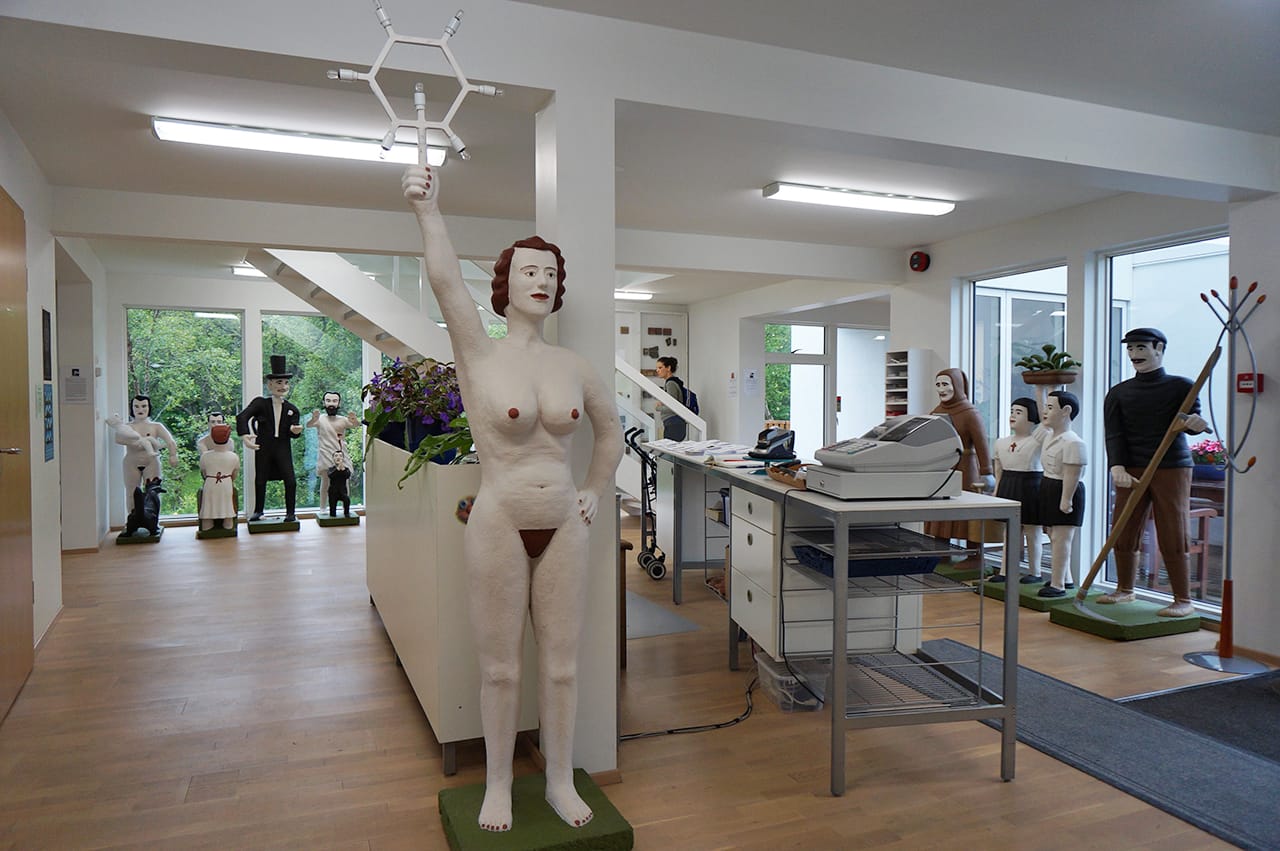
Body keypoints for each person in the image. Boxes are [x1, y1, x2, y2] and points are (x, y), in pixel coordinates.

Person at [403, 164, 623, 833]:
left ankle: (558, 779)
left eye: (550, 273)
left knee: (562, 668)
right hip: (499, 520)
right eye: (529, 271)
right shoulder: (480, 355)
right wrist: (428, 211)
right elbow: (447, 284)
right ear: (504, 285)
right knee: (500, 669)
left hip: (564, 525)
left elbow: (611, 434)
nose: (541, 280)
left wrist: (594, 488)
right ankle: (497, 783)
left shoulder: (574, 366)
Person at [1099, 328, 1208, 618]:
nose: (1134, 354)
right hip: (1131, 468)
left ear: (1159, 348)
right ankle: (1124, 588)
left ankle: (1183, 599)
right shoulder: (1118, 393)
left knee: (1173, 528)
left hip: (1171, 466)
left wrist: (1195, 424)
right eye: (1131, 348)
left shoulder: (1182, 387)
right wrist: (1117, 466)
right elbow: (1114, 434)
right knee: (1123, 525)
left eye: (1141, 347)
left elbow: (1191, 420)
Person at [924, 368, 996, 542]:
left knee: (968, 514)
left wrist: (986, 471)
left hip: (965, 468)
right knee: (941, 511)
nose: (941, 389)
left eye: (945, 384)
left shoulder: (970, 413)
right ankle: (941, 550)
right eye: (938, 385)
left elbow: (981, 444)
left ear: (957, 385)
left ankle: (974, 551)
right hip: (942, 467)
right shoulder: (936, 412)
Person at [235, 355, 303, 522]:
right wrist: (245, 436)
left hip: (283, 447)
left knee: (290, 480)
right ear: (270, 384)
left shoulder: (292, 409)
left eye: (286, 383)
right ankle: (258, 510)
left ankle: (290, 513)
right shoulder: (260, 404)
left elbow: (294, 432)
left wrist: (295, 431)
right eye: (279, 383)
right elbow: (242, 417)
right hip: (264, 447)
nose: (283, 386)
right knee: (260, 479)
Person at [1035, 391, 1087, 598]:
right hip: (1048, 486)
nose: (1045, 412)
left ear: (1066, 411)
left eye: (1050, 408)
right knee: (1051, 534)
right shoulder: (1049, 436)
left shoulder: (1074, 442)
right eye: (1045, 407)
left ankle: (1058, 585)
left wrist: (1066, 499)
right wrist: (1039, 390)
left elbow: (1073, 473)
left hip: (1066, 489)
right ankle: (1066, 578)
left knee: (1061, 538)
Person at [990, 397, 1046, 584]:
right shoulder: (1001, 442)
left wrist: (1043, 393)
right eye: (1012, 411)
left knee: (1033, 532)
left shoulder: (1037, 441)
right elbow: (998, 470)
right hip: (1008, 484)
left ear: (1032, 417)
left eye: (1019, 412)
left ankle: (1035, 572)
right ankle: (1006, 570)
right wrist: (997, 490)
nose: (1013, 415)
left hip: (1032, 486)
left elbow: (1046, 427)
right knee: (1009, 532)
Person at [106, 394, 179, 506]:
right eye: (136, 406)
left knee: (153, 491)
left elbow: (170, 441)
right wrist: (135, 442)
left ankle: (152, 516)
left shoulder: (156, 426)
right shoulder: (127, 427)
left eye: (144, 406)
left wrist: (173, 455)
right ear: (132, 408)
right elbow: (118, 439)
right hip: (131, 462)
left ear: (149, 407)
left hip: (151, 462)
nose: (140, 409)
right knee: (131, 492)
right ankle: (133, 516)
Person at [305, 391, 360, 515]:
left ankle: (346, 508)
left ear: (339, 403)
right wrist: (313, 418)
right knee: (325, 482)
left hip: (341, 455)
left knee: (345, 482)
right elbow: (309, 425)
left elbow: (355, 425)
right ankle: (323, 507)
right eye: (328, 401)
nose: (331, 404)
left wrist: (354, 420)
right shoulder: (320, 419)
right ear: (324, 402)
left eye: (334, 401)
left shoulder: (342, 420)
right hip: (325, 454)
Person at [198, 423, 239, 531]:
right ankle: (228, 523)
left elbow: (203, 473)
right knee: (227, 508)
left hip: (210, 484)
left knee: (208, 507)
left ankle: (207, 524)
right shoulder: (233, 457)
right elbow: (234, 474)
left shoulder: (205, 456)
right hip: (226, 485)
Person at [654, 355, 687, 441]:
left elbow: (673, 406)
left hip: (673, 423)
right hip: (672, 422)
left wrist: (658, 407)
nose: (657, 370)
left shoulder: (671, 384)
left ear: (668, 368)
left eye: (660, 367)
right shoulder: (671, 382)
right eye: (657, 368)